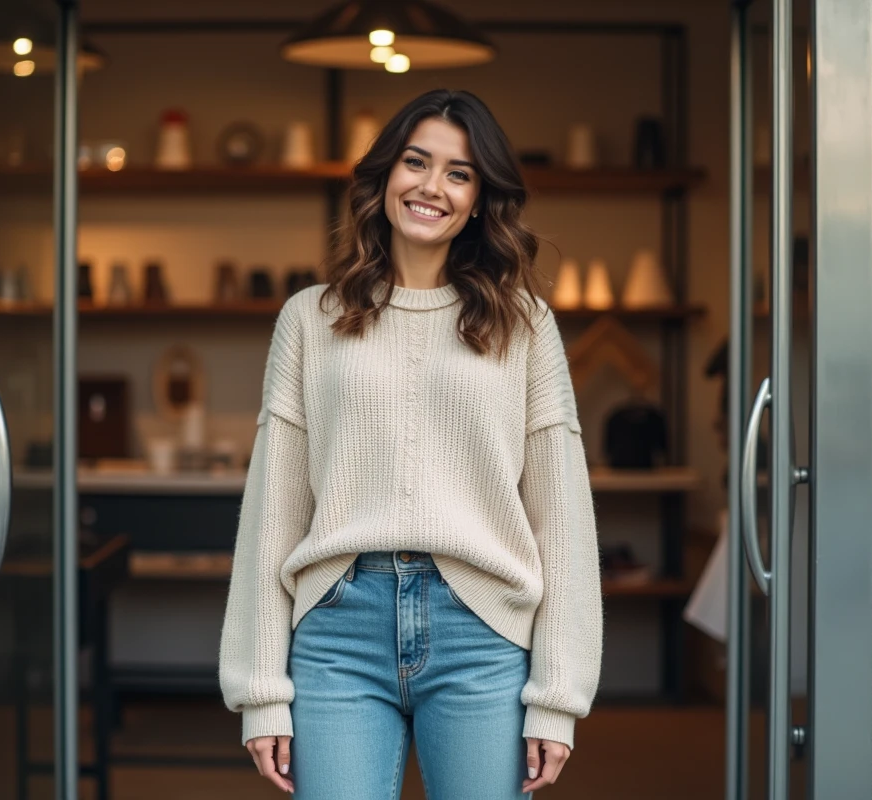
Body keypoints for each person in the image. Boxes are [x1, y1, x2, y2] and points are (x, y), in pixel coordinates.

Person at [218, 88, 603, 799]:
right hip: (337, 631)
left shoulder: (526, 326)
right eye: (415, 162)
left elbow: (563, 516)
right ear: (384, 177)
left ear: (482, 199)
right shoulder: (310, 319)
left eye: (458, 173)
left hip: (482, 633)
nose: (432, 186)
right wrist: (260, 687)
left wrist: (559, 692)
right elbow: (273, 509)